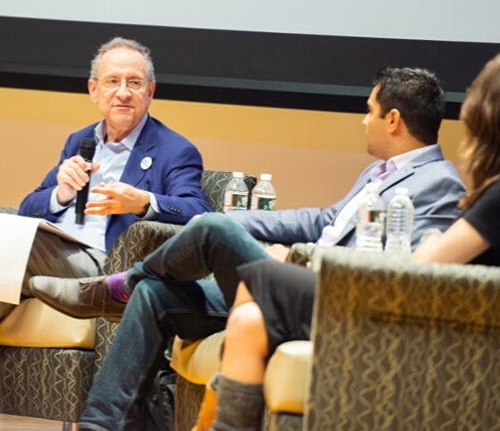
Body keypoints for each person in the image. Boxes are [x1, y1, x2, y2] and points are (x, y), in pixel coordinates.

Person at [30, 67, 466, 430]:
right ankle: (99, 424)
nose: (362, 120)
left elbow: (400, 270)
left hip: (325, 296)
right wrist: (226, 220)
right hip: (297, 283)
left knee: (214, 231)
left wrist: (298, 258)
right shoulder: (379, 171)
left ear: (392, 119)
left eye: (368, 111)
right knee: (157, 292)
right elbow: (320, 222)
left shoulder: (439, 183)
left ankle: (114, 288)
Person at [192, 52, 500, 431]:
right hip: (410, 307)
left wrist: (302, 258)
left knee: (262, 273)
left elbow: (422, 269)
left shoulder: (484, 193)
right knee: (248, 320)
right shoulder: (384, 174)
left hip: (403, 317)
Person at [0, 36, 212, 321]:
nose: (123, 93)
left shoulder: (175, 150)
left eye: (134, 83)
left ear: (150, 91)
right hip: (56, 248)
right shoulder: (80, 140)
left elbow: (199, 211)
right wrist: (60, 193)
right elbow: (28, 209)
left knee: (12, 248)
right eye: (112, 81)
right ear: (94, 89)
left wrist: (143, 202)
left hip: (107, 262)